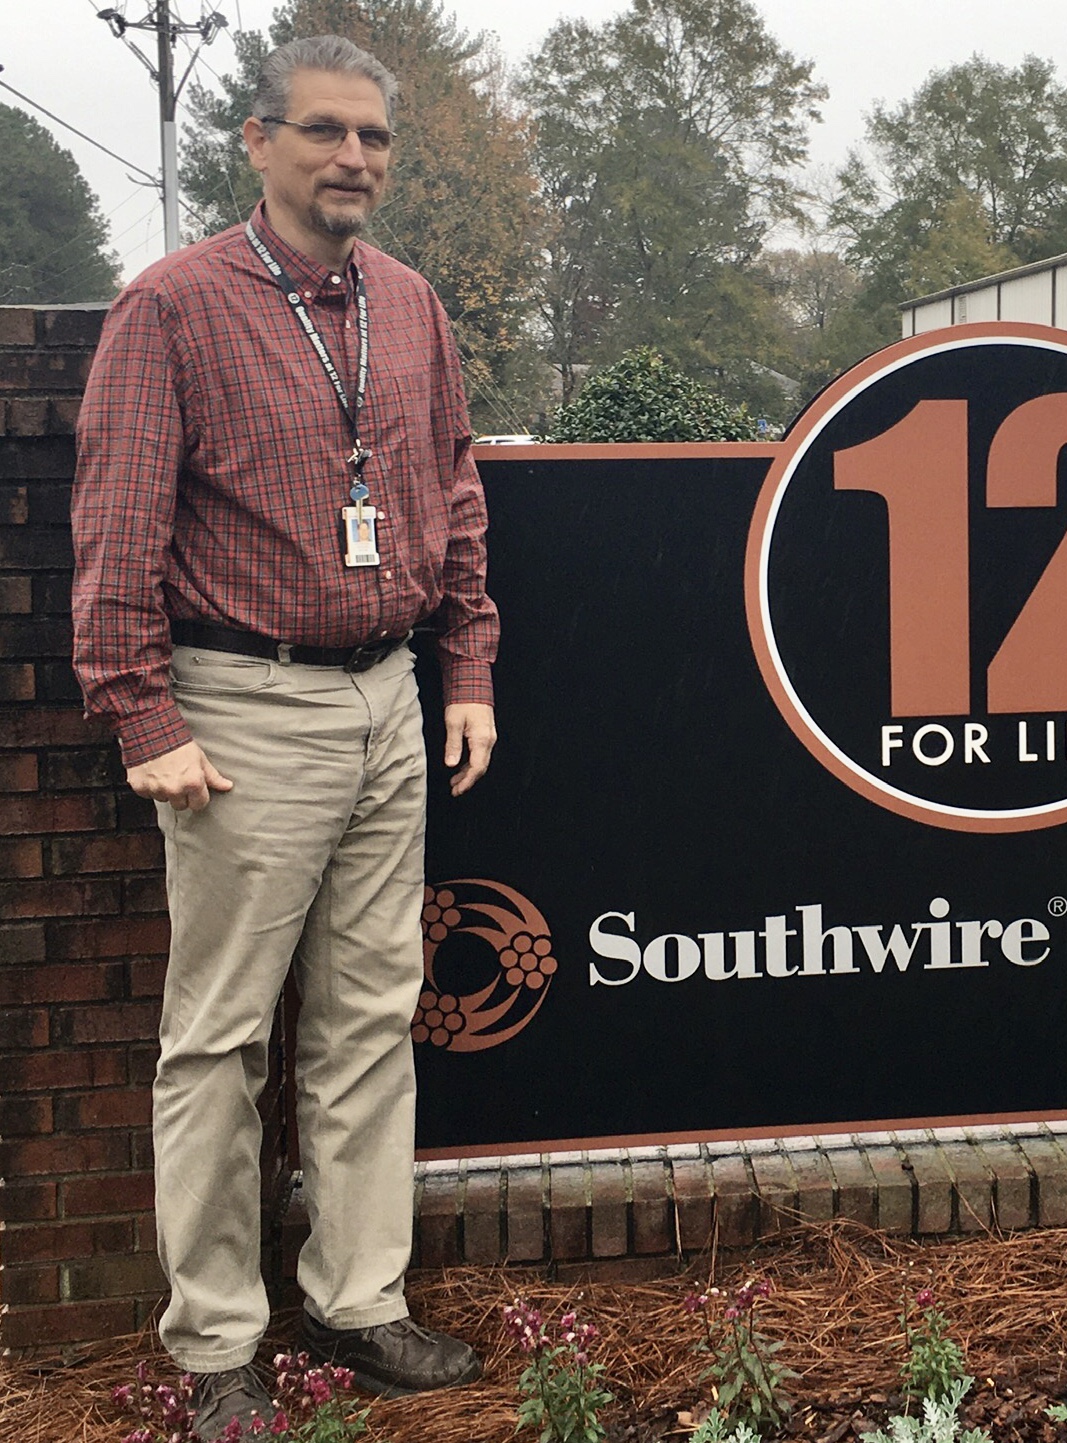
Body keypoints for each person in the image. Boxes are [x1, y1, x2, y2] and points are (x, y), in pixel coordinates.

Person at [71, 34, 497, 1441]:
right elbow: (118, 526)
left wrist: (467, 667)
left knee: (372, 1023)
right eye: (324, 132)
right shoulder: (174, 307)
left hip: (388, 701)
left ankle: (358, 1300)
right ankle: (216, 1346)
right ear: (257, 141)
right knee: (219, 1040)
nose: (354, 159)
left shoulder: (410, 304)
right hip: (240, 710)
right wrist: (140, 710)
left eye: (373, 137)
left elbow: (451, 492)